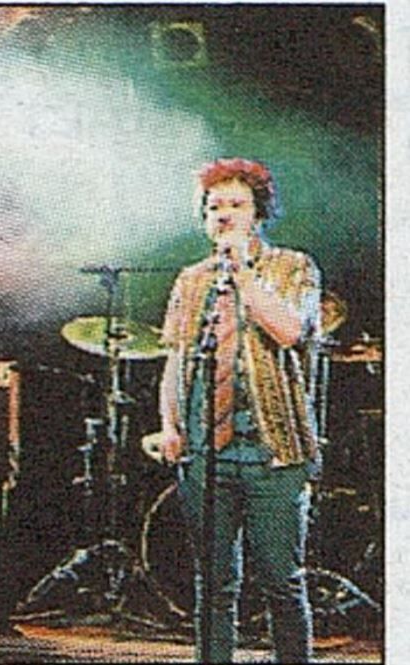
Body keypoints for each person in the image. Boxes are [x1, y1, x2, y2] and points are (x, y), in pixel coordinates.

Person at [159, 157, 321, 663]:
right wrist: (169, 425)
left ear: (259, 213)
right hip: (206, 453)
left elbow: (290, 331)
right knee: (213, 584)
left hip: (273, 451)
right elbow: (176, 359)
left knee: (281, 580)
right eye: (214, 207)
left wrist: (243, 272)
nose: (224, 215)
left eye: (236, 205)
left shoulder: (293, 267)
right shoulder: (192, 280)